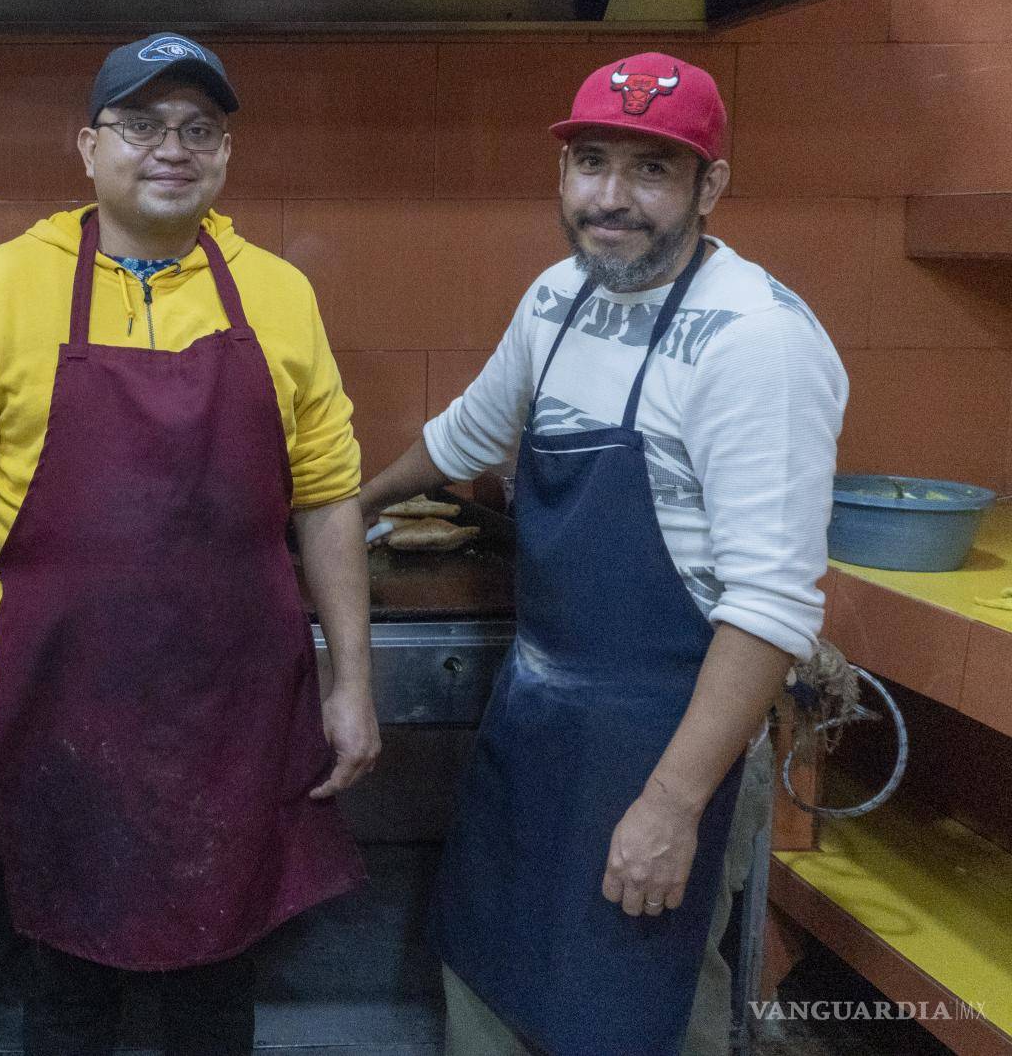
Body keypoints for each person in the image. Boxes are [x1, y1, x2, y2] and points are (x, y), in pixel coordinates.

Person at [356, 53, 846, 1056]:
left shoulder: (755, 342)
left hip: (667, 737)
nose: (610, 198)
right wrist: (332, 511)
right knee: (490, 982)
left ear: (709, 186)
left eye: (650, 169)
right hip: (536, 716)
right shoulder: (558, 297)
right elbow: (463, 437)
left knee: (636, 1010)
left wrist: (670, 803)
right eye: (589, 161)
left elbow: (767, 607)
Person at [0, 33, 378, 1055]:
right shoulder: (1, 287)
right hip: (60, 702)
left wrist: (349, 676)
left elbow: (329, 495)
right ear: (86, 145)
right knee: (67, 986)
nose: (172, 147)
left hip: (235, 708)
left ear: (224, 153)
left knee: (216, 988)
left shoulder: (276, 294)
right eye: (141, 123)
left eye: (199, 128)